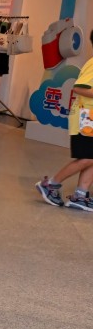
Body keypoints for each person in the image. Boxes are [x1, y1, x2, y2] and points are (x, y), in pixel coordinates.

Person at [35, 53, 93, 211]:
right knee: (87, 158)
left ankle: (80, 195)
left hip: (90, 119)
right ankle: (50, 184)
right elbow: (79, 87)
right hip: (85, 118)